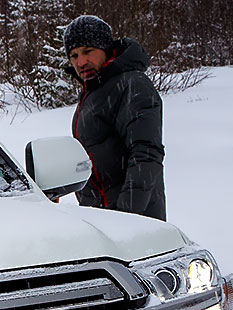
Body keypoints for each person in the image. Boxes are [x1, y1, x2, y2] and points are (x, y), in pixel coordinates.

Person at [65, 14, 167, 220]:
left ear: (105, 49)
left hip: (132, 220)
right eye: (74, 55)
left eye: (88, 51)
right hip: (102, 217)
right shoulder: (95, 90)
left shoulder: (131, 84)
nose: (81, 62)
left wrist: (126, 217)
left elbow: (146, 155)